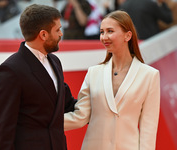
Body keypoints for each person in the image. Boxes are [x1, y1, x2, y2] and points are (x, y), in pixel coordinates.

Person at [64, 10, 160, 150]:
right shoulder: (93, 73)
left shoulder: (150, 75)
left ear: (127, 35)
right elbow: (81, 116)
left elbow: (149, 128)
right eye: (102, 32)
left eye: (110, 31)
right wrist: (42, 123)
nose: (104, 37)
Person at [0, 4, 76, 150]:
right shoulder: (11, 70)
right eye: (57, 30)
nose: (61, 34)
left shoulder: (55, 62)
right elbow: (3, 129)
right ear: (43, 35)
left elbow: (68, 104)